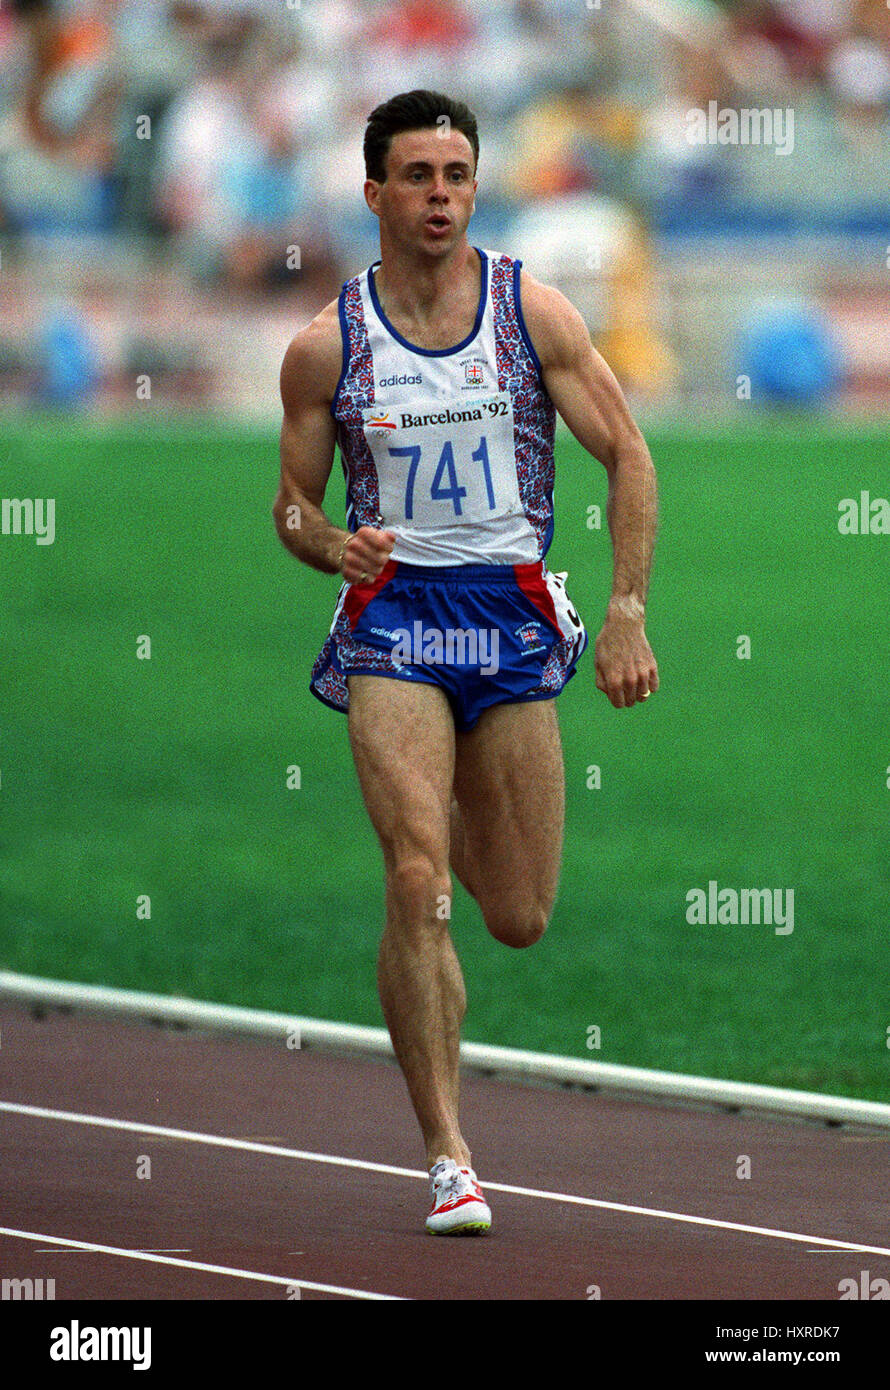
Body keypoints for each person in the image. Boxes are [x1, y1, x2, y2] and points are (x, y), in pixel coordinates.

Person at [273, 89, 658, 1236]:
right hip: (393, 619)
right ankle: (447, 1151)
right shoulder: (324, 345)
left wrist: (627, 610)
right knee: (414, 878)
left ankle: (438, 793)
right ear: (374, 192)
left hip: (509, 614)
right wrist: (329, 541)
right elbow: (290, 510)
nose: (439, 195)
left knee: (521, 912)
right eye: (418, 176)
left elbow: (627, 456)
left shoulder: (529, 314)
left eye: (456, 175)